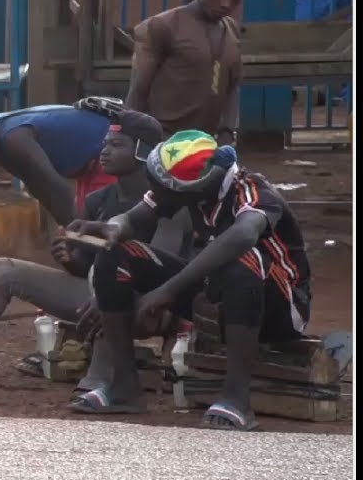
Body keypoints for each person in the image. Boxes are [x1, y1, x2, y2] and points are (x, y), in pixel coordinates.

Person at [68, 130, 311, 431]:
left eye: (161, 189)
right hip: (221, 293)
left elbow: (244, 235)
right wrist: (110, 228)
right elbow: (131, 220)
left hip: (281, 310)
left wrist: (168, 290)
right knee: (114, 254)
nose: (155, 193)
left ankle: (237, 398)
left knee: (241, 256)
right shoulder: (193, 188)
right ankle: (123, 387)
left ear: (192, 190)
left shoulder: (252, 191)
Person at [0, 111, 172, 393]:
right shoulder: (98, 200)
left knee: (110, 290)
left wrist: (110, 289)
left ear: (144, 152)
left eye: (116, 145)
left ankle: (102, 384)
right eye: (104, 143)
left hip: (151, 305)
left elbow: (167, 269)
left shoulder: (166, 202)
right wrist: (71, 260)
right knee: (4, 270)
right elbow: (87, 267)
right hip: (97, 298)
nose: (104, 151)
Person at [126, 0, 250, 143]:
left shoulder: (231, 30)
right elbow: (138, 91)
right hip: (163, 143)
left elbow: (232, 87)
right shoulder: (162, 27)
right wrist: (132, 142)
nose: (226, 4)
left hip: (203, 147)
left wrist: (227, 131)